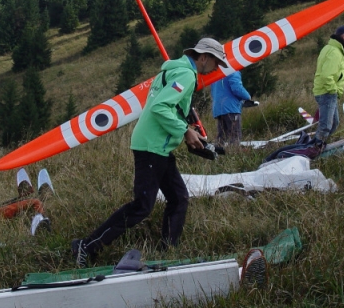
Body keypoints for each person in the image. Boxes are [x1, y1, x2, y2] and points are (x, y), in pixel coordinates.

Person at [71, 38, 227, 267]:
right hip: (152, 147)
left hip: (157, 146)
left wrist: (190, 133)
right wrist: (185, 131)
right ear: (204, 57)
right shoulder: (186, 75)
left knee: (179, 198)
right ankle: (86, 246)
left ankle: (168, 251)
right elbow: (159, 107)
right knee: (142, 206)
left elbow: (168, 108)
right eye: (216, 63)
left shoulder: (172, 70)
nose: (216, 68)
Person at [307, 25, 344, 158]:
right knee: (326, 125)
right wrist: (334, 90)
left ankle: (318, 144)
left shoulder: (332, 49)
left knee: (334, 123)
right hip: (327, 93)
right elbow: (326, 76)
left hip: (326, 92)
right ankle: (315, 149)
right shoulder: (335, 52)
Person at [210, 71, 252, 146]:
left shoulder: (216, 72)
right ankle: (234, 151)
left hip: (218, 108)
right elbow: (237, 88)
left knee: (221, 137)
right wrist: (247, 96)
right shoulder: (232, 71)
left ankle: (218, 151)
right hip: (231, 108)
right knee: (235, 136)